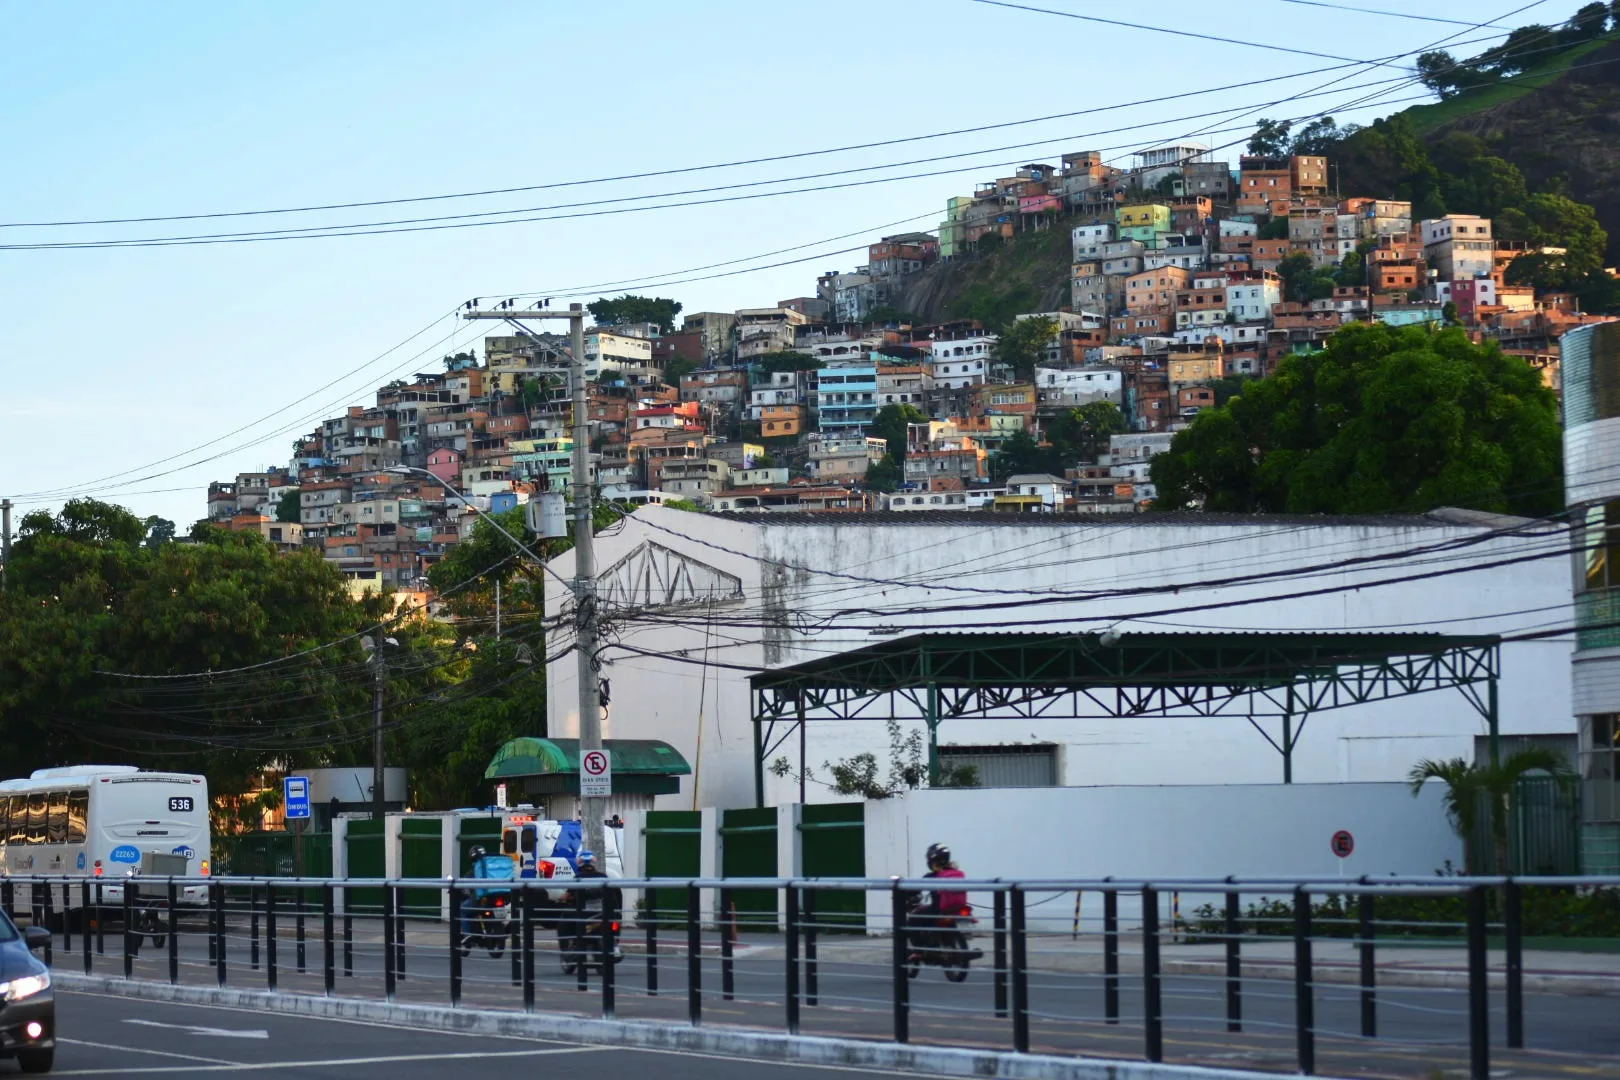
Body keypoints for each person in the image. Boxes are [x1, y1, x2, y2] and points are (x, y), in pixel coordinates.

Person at [909, 843, 968, 956]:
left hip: (939, 909)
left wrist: (904, 891)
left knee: (913, 919)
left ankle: (918, 951)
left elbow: (916, 888)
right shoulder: (956, 873)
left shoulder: (931, 876)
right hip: (956, 908)